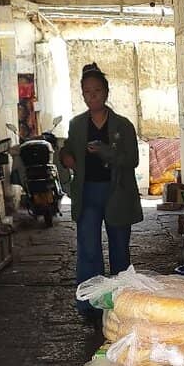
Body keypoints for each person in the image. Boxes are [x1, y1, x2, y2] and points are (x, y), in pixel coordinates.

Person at [60, 63, 143, 320]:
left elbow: (132, 160)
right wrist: (65, 158)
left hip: (117, 193)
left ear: (106, 92)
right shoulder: (76, 125)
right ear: (82, 95)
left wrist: (107, 152)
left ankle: (121, 302)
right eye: (87, 92)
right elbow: (67, 150)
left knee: (120, 249)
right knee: (88, 250)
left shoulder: (123, 125)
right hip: (87, 193)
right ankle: (90, 305)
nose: (92, 96)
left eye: (97, 90)